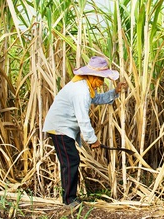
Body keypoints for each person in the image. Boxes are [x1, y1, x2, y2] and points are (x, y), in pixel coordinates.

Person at [43, 56, 127, 207]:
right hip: (59, 128)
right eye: (101, 78)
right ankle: (69, 201)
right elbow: (83, 119)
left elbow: (97, 99)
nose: (102, 83)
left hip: (62, 128)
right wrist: (92, 140)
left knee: (70, 161)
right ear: (91, 75)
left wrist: (115, 91)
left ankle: (70, 198)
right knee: (70, 162)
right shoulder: (80, 91)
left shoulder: (85, 87)